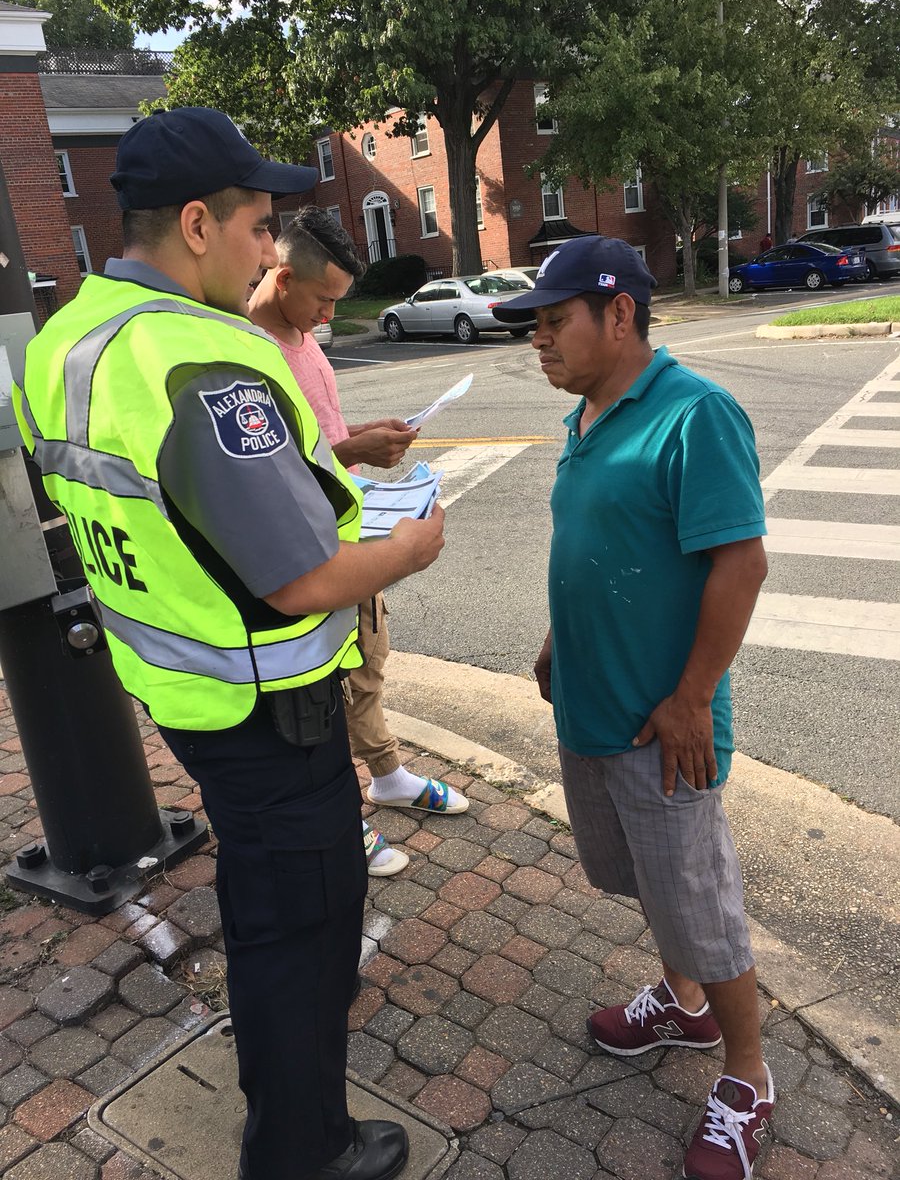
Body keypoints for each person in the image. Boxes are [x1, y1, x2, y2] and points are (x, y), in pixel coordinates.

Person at [14, 107, 447, 1180]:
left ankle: (282, 1099)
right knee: (303, 934)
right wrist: (409, 548)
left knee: (266, 909)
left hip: (179, 688)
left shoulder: (68, 337)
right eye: (260, 227)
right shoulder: (202, 359)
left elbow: (162, 503)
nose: (269, 253)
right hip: (269, 710)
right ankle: (303, 1150)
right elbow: (300, 579)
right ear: (199, 224)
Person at [493, 237, 772, 1180]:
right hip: (591, 707)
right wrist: (555, 640)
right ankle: (683, 1007)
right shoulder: (587, 415)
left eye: (554, 321)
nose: (539, 341)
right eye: (534, 326)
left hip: (664, 729)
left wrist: (692, 698)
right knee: (649, 886)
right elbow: (602, 546)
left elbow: (741, 563)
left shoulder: (696, 415)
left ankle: (748, 1077)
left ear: (620, 314)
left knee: (701, 904)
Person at [249, 206, 468, 878]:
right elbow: (273, 475)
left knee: (368, 660)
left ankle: (387, 775)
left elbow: (318, 437)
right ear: (283, 277)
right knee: (320, 692)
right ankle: (344, 814)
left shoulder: (301, 337)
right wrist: (352, 452)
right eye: (323, 300)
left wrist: (361, 437)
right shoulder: (248, 354)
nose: (329, 317)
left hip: (348, 528)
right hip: (306, 556)